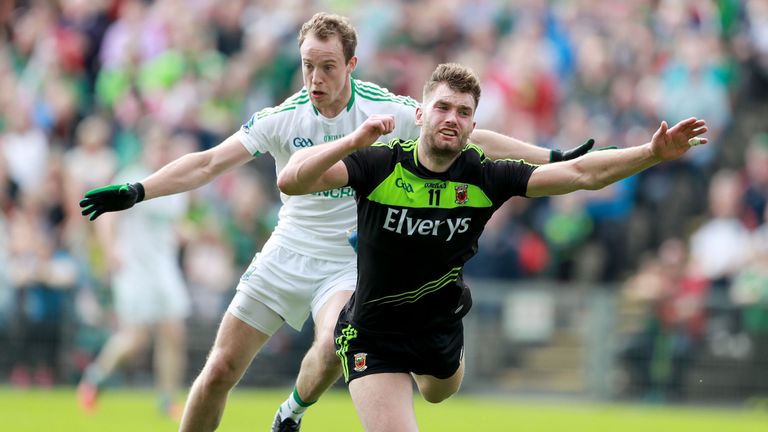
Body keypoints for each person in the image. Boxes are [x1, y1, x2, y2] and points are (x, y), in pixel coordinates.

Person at [78, 13, 593, 432]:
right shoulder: (284, 116)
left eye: (327, 67)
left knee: (334, 341)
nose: (316, 79)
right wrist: (137, 189)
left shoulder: (386, 108)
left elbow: (472, 137)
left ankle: (292, 413)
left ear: (351, 63)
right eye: (307, 66)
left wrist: (548, 155)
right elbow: (209, 162)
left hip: (348, 262)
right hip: (286, 251)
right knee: (218, 372)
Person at [276, 62, 708, 432]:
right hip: (375, 332)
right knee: (336, 345)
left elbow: (581, 174)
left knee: (439, 391)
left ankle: (424, 365)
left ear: (473, 127)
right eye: (443, 107)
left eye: (463, 112)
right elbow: (292, 179)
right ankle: (291, 412)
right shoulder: (378, 165)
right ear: (420, 113)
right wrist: (353, 141)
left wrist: (651, 153)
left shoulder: (485, 176)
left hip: (438, 329)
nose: (452, 118)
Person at [77, 128, 194, 419]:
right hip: (134, 267)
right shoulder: (131, 177)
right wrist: (110, 250)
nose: (161, 153)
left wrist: (187, 234)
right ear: (146, 148)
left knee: (173, 333)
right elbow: (105, 219)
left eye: (166, 147)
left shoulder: (177, 181)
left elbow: (172, 225)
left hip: (164, 267)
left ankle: (167, 399)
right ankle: (94, 377)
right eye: (157, 146)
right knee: (136, 338)